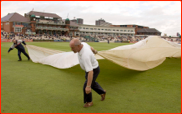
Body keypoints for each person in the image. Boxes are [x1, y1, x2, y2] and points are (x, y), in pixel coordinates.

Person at [69, 38, 106, 108]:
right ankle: (102, 92)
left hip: (93, 70)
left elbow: (90, 72)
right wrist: (94, 51)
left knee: (86, 86)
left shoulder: (85, 55)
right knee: (92, 83)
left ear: (78, 46)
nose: (71, 50)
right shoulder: (84, 44)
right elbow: (90, 47)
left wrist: (88, 87)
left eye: (72, 48)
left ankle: (89, 102)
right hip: (90, 69)